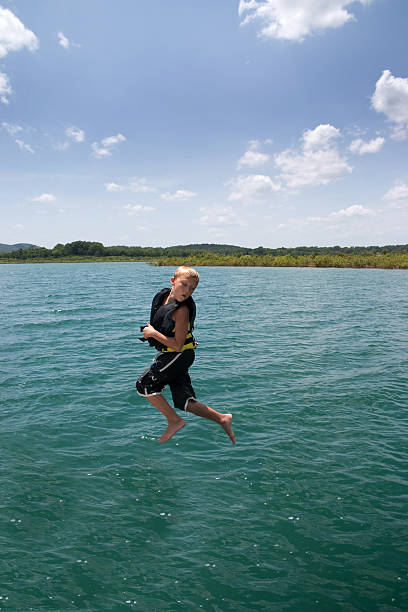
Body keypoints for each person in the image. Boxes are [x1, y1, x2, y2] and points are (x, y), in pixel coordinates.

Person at [136, 265, 236, 444]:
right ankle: (222, 418)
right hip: (178, 355)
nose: (187, 291)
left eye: (192, 288)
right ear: (173, 281)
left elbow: (176, 345)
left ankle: (174, 421)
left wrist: (152, 333)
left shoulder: (182, 310)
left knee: (144, 385)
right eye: (184, 285)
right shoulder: (163, 298)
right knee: (183, 401)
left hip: (178, 355)